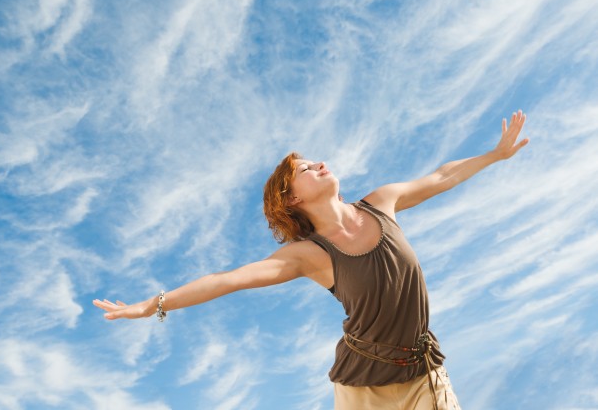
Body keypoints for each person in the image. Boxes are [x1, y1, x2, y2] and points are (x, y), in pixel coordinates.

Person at [93, 110, 529, 409]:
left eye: (313, 160)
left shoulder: (382, 202)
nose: (319, 163)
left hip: (422, 373)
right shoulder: (309, 255)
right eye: (304, 169)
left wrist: (495, 154)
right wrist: (155, 304)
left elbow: (441, 176)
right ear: (292, 198)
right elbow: (230, 279)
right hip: (364, 388)